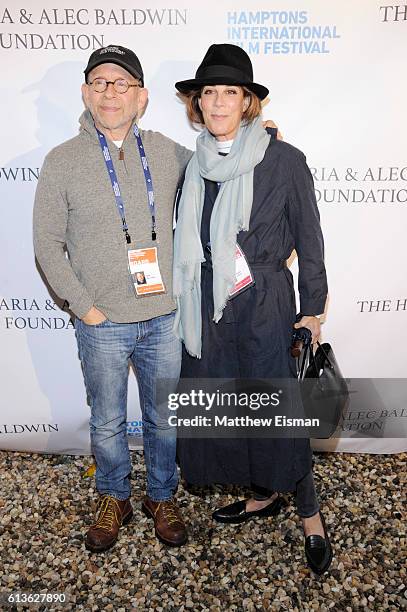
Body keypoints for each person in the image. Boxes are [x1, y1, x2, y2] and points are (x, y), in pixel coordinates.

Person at [173, 44, 332, 574]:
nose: (218, 102)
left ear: (248, 102)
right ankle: (262, 495)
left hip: (264, 305)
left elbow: (310, 240)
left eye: (230, 92)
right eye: (208, 93)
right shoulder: (193, 164)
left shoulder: (284, 159)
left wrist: (312, 311)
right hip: (211, 313)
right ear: (198, 103)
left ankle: (310, 515)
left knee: (278, 413)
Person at [33, 45, 193, 552]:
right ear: (85, 92)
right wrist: (85, 308)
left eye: (122, 83)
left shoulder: (168, 151)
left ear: (141, 98)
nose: (110, 92)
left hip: (163, 317)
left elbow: (219, 168)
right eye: (100, 82)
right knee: (105, 421)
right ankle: (113, 495)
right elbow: (46, 245)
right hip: (101, 322)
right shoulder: (61, 160)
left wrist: (262, 139)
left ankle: (161, 495)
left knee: (164, 417)